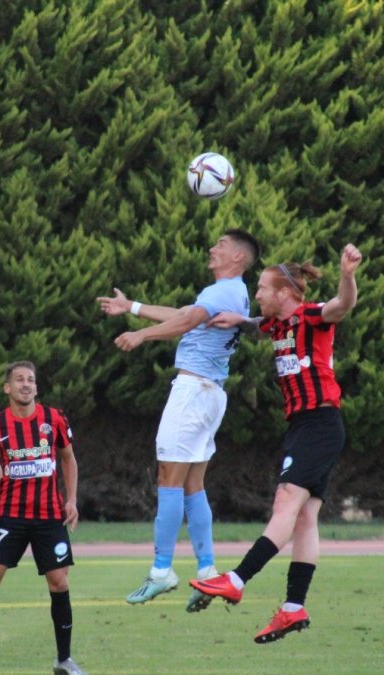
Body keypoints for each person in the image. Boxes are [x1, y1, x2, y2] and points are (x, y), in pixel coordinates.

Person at [187, 244, 363, 643]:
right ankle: (292, 608)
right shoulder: (275, 326)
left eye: (263, 288)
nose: (259, 294)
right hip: (306, 426)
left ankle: (236, 579)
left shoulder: (309, 316)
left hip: (319, 423)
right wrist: (239, 318)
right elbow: (256, 323)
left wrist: (347, 274)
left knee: (286, 502)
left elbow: (342, 305)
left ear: (285, 292)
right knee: (304, 517)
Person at [96, 228, 261, 611]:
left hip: (192, 393)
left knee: (168, 480)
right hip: (210, 394)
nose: (211, 248)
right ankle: (207, 573)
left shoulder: (222, 290)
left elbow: (185, 323)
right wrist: (133, 308)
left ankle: (160, 571)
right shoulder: (229, 293)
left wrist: (142, 336)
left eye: (220, 245)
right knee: (192, 486)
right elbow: (187, 316)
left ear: (238, 257)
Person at [0, 361, 86, 675]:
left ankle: (63, 660)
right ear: (8, 388)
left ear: (36, 387)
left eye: (31, 380)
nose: (26, 384)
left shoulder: (54, 419)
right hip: (11, 517)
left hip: (50, 517)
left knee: (59, 582)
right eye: (19, 380)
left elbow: (68, 459)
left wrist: (72, 499)